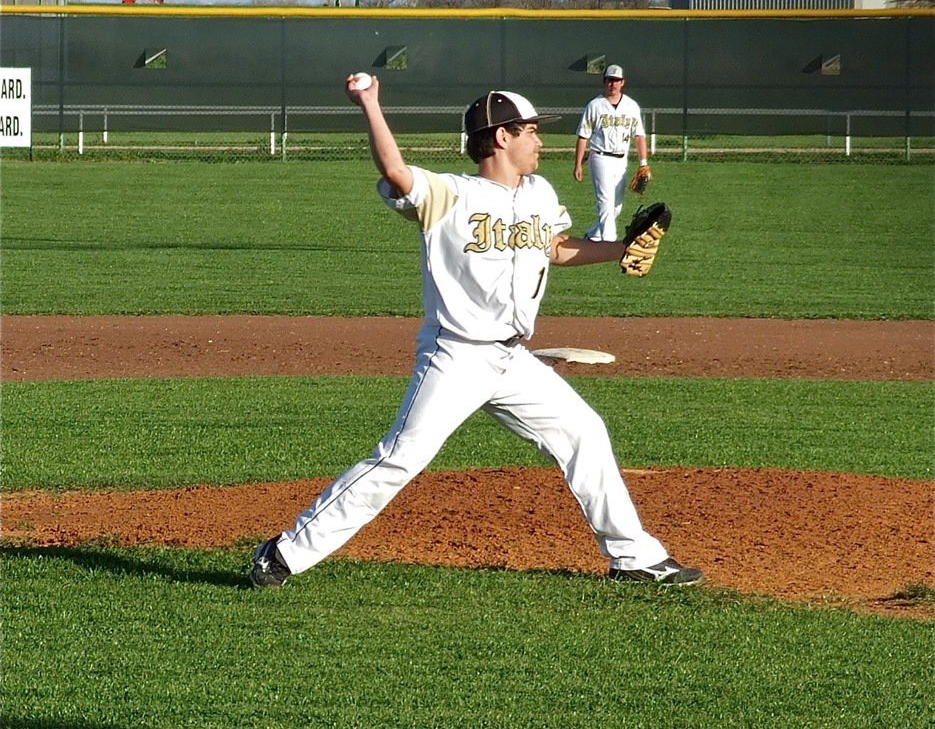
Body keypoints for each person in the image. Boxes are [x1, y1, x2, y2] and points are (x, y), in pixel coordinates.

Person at [250, 78, 702, 590]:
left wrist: (621, 247)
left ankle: (633, 558)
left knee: (585, 432)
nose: (539, 140)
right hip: (456, 357)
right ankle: (282, 552)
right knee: (399, 459)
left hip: (513, 360)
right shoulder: (449, 195)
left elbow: (555, 248)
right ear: (501, 137)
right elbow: (397, 173)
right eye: (530, 131)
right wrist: (371, 103)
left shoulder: (541, 193)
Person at [573, 64, 650, 242]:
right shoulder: (595, 105)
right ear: (604, 82)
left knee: (616, 206)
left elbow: (639, 136)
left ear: (623, 82)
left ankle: (593, 235)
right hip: (600, 157)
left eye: (616, 81)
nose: (612, 84)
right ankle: (609, 242)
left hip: (621, 159)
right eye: (609, 80)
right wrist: (578, 164)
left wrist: (643, 162)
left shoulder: (631, 106)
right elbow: (583, 136)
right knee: (606, 201)